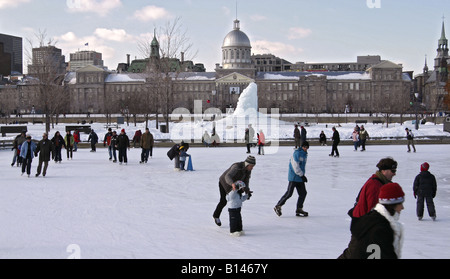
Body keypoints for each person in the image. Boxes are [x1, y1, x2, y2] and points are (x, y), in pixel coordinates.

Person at [338, 183, 405, 259]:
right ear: (391, 205)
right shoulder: (380, 228)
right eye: (400, 203)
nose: (402, 207)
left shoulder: (369, 220)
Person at [213, 155, 255, 226]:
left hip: (236, 184)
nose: (252, 168)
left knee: (237, 199)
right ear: (247, 164)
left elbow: (246, 181)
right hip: (224, 182)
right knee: (223, 201)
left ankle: (237, 219)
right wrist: (232, 184)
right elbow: (227, 176)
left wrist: (247, 190)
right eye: (251, 166)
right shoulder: (237, 167)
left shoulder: (248, 171)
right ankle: (216, 216)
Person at [274, 141, 309, 217]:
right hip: (293, 177)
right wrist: (302, 175)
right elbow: (295, 166)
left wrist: (302, 176)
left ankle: (299, 208)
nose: (306, 148)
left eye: (307, 147)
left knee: (303, 193)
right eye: (304, 147)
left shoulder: (304, 154)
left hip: (299, 177)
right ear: (302, 147)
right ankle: (278, 206)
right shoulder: (297, 153)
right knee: (289, 193)